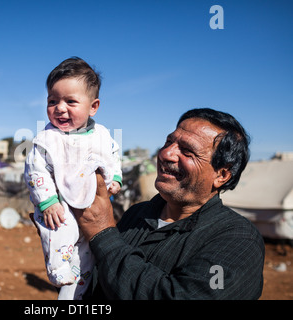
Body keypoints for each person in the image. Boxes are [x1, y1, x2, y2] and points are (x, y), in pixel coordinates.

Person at [72, 107, 265, 299]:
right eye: (169, 142)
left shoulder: (238, 241)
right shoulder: (138, 214)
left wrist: (103, 234)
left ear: (221, 175)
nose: (166, 154)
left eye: (188, 151)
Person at [24, 57, 122, 300]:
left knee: (86, 253)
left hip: (90, 204)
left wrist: (114, 178)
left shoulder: (101, 135)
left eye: (70, 101)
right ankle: (57, 270)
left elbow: (111, 155)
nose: (60, 108)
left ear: (93, 106)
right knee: (59, 231)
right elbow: (35, 170)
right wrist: (47, 201)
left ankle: (75, 293)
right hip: (59, 205)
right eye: (52, 101)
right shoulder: (47, 139)